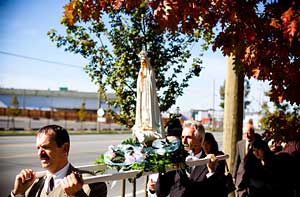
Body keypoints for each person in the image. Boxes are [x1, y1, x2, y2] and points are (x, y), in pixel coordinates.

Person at [10, 125, 107, 197]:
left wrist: (75, 195)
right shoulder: (30, 185)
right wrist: (17, 193)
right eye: (38, 148)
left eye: (45, 147)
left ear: (65, 148)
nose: (40, 153)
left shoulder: (91, 184)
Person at [155, 120, 224, 197]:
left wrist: (211, 172)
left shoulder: (211, 162)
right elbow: (161, 193)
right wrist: (163, 169)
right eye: (182, 137)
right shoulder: (174, 160)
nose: (184, 141)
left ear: (200, 139)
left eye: (188, 137)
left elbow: (218, 192)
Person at [147, 118, 183, 196]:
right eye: (170, 143)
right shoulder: (159, 157)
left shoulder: (184, 159)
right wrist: (151, 188)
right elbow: (151, 184)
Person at [233, 122, 256, 197]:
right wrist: (234, 177)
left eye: (248, 133)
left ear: (253, 133)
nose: (246, 135)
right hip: (240, 179)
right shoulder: (240, 144)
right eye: (245, 133)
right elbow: (237, 161)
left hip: (253, 179)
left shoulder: (258, 144)